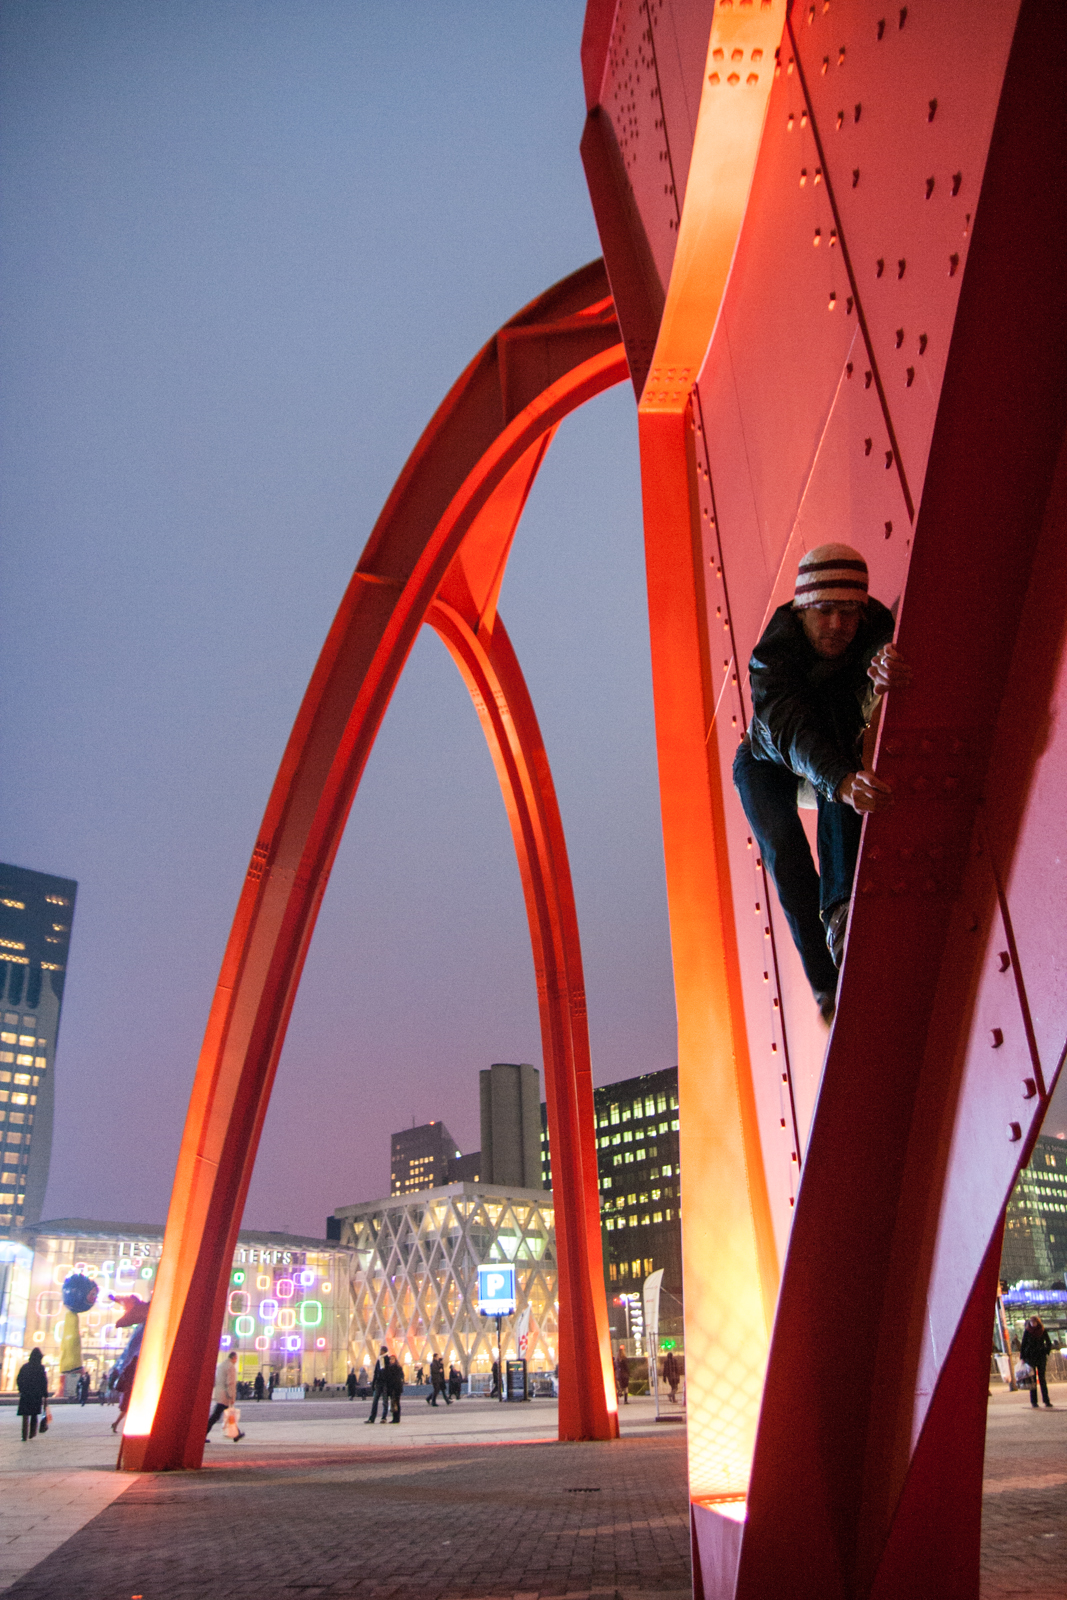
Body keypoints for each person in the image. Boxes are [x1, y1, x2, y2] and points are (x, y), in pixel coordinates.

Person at [733, 544, 912, 1022]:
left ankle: (841, 911)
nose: (837, 625)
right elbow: (790, 730)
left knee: (843, 761)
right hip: (767, 759)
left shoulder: (875, 629)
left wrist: (887, 673)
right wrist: (840, 780)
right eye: (825, 611)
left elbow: (880, 655)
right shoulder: (772, 660)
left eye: (848, 612)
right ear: (801, 609)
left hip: (830, 748)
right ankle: (824, 986)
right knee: (785, 851)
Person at [206, 1350, 245, 1441]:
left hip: (220, 1394)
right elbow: (230, 1383)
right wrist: (232, 1396)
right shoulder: (230, 1367)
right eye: (236, 1359)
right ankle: (203, 1434)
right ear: (234, 1358)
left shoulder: (221, 1366)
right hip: (225, 1396)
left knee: (225, 1415)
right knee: (219, 1416)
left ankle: (236, 1434)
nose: (236, 1361)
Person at [1020, 1316, 1054, 1409]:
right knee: (1032, 1380)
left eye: (1034, 1322)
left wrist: (1046, 1351)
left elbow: (1048, 1342)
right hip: (1030, 1357)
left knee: (1042, 1379)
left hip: (1040, 1356)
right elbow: (1023, 1344)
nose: (1032, 1324)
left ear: (1037, 1322)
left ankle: (1046, 1401)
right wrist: (1022, 1357)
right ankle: (1034, 1401)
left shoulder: (1042, 1330)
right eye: (1031, 1322)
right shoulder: (1027, 1331)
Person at [16, 1347, 49, 1442]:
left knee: (25, 1415)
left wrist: (21, 1389)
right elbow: (44, 1382)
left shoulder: (25, 1367)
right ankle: (32, 1433)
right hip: (36, 1395)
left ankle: (24, 1435)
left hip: (25, 1394)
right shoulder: (40, 1368)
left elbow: (19, 1379)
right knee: (34, 1415)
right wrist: (45, 1395)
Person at [366, 1346, 390, 1424]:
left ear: (384, 1351)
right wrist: (373, 1383)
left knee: (385, 1401)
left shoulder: (387, 1360)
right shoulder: (379, 1360)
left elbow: (389, 1372)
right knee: (375, 1400)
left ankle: (384, 1418)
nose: (379, 1351)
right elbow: (376, 1372)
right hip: (379, 1383)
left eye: (381, 1350)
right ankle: (372, 1418)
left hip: (385, 1383)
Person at [385, 1353, 404, 1424]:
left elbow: (392, 1378)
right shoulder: (397, 1367)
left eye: (392, 1359)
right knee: (394, 1402)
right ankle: (396, 1418)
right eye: (390, 1359)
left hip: (395, 1387)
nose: (391, 1360)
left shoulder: (394, 1367)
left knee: (395, 1402)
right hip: (396, 1387)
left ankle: (396, 1418)